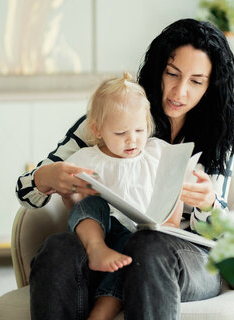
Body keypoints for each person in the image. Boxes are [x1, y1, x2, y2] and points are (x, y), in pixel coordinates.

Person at [16, 18, 234, 319]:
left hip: (185, 259)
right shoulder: (114, 113)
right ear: (158, 69)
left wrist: (209, 204)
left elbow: (222, 234)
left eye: (196, 81)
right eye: (172, 74)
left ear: (211, 85)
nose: (180, 91)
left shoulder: (220, 135)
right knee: (57, 248)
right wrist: (45, 177)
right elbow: (26, 191)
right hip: (107, 244)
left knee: (147, 246)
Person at [58, 72, 180, 319]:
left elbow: (174, 190)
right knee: (92, 203)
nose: (132, 140)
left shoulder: (156, 153)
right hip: (100, 231)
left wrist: (169, 224)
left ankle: (101, 313)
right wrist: (73, 198)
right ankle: (96, 249)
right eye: (120, 133)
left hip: (137, 237)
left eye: (139, 129)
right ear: (98, 129)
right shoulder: (88, 159)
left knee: (131, 254)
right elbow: (72, 201)